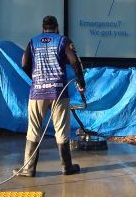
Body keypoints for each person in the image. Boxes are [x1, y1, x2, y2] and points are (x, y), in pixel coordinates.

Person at [14, 15, 86, 177]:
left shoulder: (33, 42)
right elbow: (74, 61)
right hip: (59, 91)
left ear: (42, 28)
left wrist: (34, 78)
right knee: (61, 130)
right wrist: (81, 81)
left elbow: (24, 63)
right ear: (57, 27)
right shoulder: (62, 40)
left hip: (37, 92)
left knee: (33, 129)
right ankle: (66, 167)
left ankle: (29, 169)